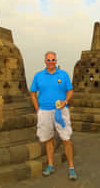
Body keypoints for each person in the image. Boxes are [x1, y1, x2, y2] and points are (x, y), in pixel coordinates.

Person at [30, 51, 77, 180]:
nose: (50, 62)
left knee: (66, 139)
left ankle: (71, 167)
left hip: (61, 111)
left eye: (53, 60)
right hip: (44, 111)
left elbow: (70, 91)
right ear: (45, 61)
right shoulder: (39, 76)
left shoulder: (63, 75)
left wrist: (65, 101)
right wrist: (37, 108)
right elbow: (33, 92)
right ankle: (50, 165)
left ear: (56, 61)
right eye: (48, 60)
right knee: (48, 139)